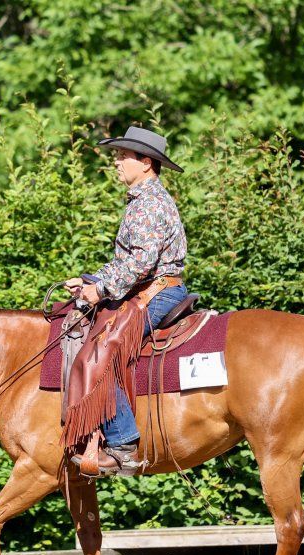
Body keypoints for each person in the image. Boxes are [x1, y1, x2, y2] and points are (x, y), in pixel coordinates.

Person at [63, 126, 188, 475]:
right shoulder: (143, 200)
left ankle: (123, 445)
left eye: (123, 156)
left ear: (146, 162)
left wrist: (101, 290)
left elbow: (141, 263)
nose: (116, 162)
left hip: (157, 292)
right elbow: (126, 261)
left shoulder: (149, 204)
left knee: (101, 355)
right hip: (148, 288)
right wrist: (91, 281)